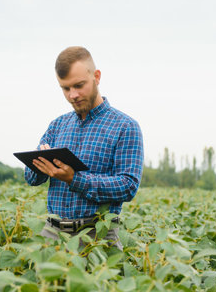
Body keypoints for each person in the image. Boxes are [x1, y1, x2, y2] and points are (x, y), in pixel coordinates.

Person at [24, 46, 144, 250]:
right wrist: (39, 163)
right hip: (52, 233)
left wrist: (74, 178)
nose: (73, 95)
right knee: (43, 283)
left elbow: (128, 185)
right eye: (66, 88)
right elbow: (31, 179)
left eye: (79, 85)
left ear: (96, 77)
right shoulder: (57, 125)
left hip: (98, 235)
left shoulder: (125, 126)